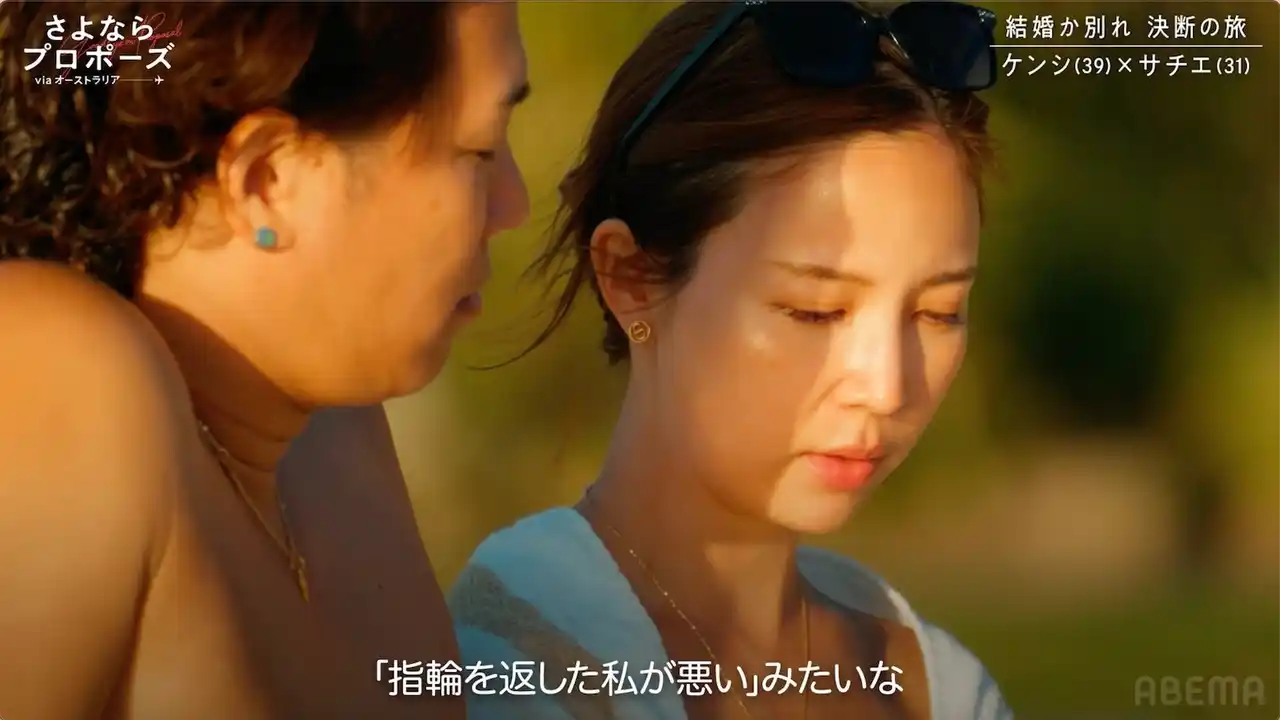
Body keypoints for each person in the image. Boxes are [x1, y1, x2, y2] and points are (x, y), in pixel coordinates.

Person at [449, 1, 1011, 718]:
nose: (885, 386)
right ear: (631, 277)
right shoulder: (512, 658)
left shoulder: (936, 683)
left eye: (938, 312)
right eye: (814, 311)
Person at [0, 2, 528, 718]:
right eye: (481, 148)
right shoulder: (59, 373)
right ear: (268, 179)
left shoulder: (334, 436)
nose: (514, 206)